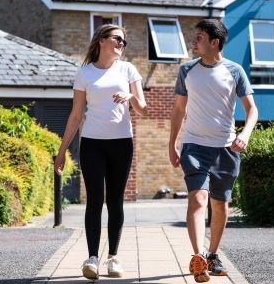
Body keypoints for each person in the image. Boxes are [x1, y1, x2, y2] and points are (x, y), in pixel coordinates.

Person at [54, 24, 147, 280]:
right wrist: (62, 152)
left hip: (121, 143)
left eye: (124, 41)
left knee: (115, 200)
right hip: (92, 143)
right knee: (95, 200)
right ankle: (92, 258)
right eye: (118, 39)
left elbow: (143, 109)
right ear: (102, 40)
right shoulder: (85, 73)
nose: (121, 44)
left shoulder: (128, 70)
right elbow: (75, 115)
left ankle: (113, 258)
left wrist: (130, 95)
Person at [168, 19, 258, 283]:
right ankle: (198, 258)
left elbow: (252, 109)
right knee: (197, 199)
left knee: (220, 204)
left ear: (214, 42)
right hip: (194, 146)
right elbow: (178, 110)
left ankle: (212, 254)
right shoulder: (187, 71)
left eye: (198, 37)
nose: (193, 42)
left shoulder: (235, 71)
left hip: (226, 148)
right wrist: (172, 143)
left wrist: (245, 135)